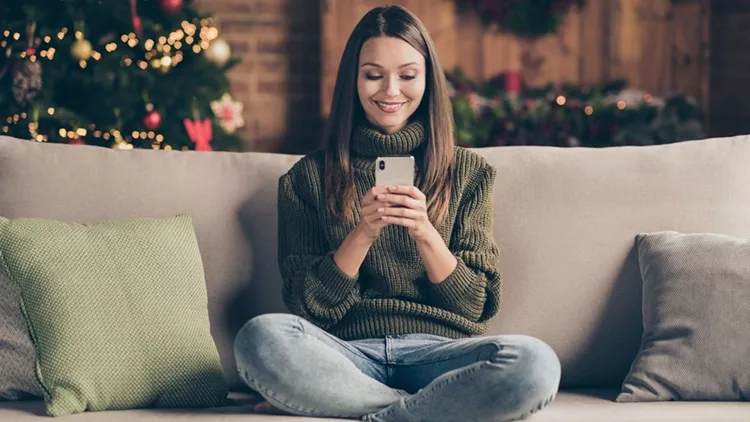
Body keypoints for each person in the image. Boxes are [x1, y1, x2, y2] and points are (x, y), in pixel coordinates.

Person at [233, 5, 560, 422]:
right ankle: (419, 410)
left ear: (428, 79)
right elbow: (307, 306)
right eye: (374, 75)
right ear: (353, 80)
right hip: (348, 355)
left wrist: (425, 232)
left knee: (536, 363)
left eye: (407, 75)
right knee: (259, 338)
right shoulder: (307, 179)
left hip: (442, 355)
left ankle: (368, 410)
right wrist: (363, 233)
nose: (391, 91)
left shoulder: (470, 174)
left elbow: (478, 306)